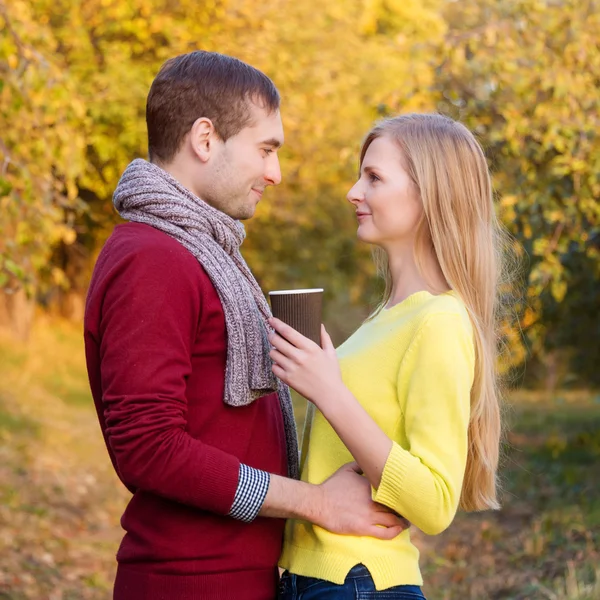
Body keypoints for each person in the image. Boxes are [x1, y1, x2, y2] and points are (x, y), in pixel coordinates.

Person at [84, 51, 407, 600]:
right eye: (266, 149)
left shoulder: (199, 252)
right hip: (189, 581)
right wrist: (314, 501)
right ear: (205, 139)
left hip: (233, 576)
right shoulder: (153, 259)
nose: (275, 173)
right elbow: (149, 446)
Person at [269, 113, 512, 599]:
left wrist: (329, 390)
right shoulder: (387, 317)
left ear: (429, 195)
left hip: (361, 582)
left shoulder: (439, 322)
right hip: (316, 578)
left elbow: (435, 502)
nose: (352, 192)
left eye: (374, 178)